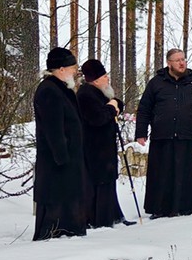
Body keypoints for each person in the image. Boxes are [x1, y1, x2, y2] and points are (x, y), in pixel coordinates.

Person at [135, 48, 192, 217]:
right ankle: (159, 208)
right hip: (162, 135)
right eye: (177, 60)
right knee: (161, 173)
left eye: (183, 59)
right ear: (169, 63)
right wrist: (141, 132)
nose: (182, 62)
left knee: (184, 173)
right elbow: (144, 109)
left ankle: (184, 207)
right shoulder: (156, 82)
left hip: (187, 135)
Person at [33, 47, 89, 240]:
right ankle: (56, 235)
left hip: (68, 159)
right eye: (73, 67)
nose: (76, 71)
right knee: (55, 205)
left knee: (69, 202)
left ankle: (69, 232)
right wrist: (62, 157)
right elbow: (53, 128)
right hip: (57, 162)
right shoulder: (49, 90)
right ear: (61, 68)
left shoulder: (61, 88)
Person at [77, 58, 135, 228]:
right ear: (95, 79)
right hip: (94, 148)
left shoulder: (98, 92)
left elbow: (116, 103)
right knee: (99, 184)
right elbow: (97, 118)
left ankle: (113, 215)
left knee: (108, 182)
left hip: (104, 147)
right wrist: (111, 107)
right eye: (104, 76)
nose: (107, 78)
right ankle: (99, 219)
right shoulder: (85, 95)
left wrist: (115, 104)